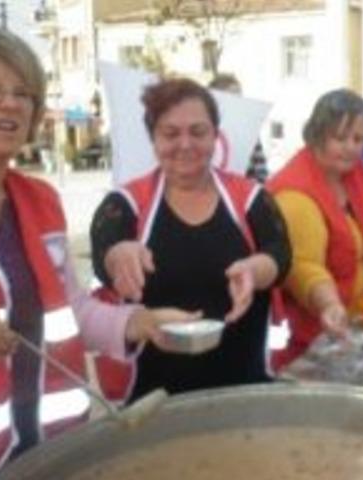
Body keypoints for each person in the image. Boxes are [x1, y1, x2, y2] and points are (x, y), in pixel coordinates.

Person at [0, 25, 191, 479]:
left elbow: (68, 310)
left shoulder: (40, 199)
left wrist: (140, 322)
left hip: (53, 455)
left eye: (25, 93)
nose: (12, 103)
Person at [90, 78, 291, 400]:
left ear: (215, 135)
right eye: (170, 133)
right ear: (153, 139)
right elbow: (104, 254)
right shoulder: (125, 204)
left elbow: (280, 255)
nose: (185, 144)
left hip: (246, 387)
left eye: (198, 132)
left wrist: (254, 269)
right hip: (154, 398)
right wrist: (119, 256)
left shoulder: (251, 197)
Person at [268, 89, 363, 369]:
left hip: (360, 320)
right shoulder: (295, 194)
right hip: (315, 334)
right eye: (340, 138)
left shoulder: (355, 172)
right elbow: (304, 267)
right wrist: (330, 306)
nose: (350, 148)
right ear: (317, 135)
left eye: (358, 139)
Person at [207, 73, 269, 182]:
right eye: (232, 99)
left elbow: (261, 174)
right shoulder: (203, 131)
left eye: (239, 98)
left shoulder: (250, 133)